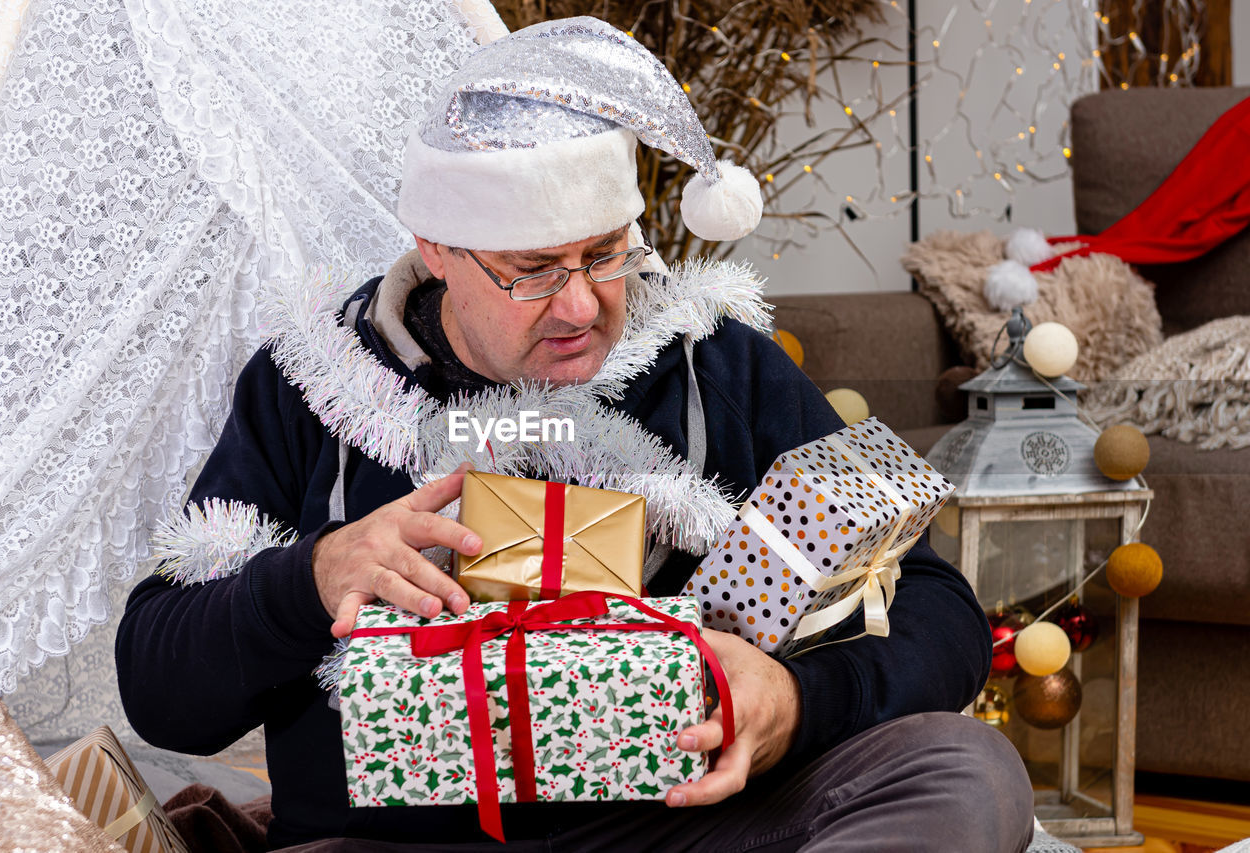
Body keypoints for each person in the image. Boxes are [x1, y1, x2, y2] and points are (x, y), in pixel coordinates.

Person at [116, 17, 1035, 852]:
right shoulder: (313, 385)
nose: (581, 304)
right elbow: (159, 690)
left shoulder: (716, 363)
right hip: (395, 844)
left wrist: (799, 702)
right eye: (533, 269)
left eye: (606, 254)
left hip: (684, 829)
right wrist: (309, 578)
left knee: (965, 771)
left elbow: (942, 606)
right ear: (437, 248)